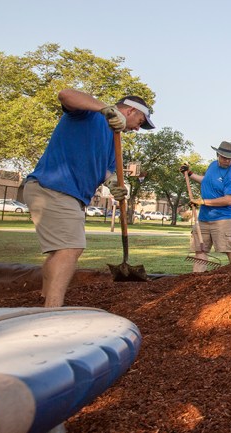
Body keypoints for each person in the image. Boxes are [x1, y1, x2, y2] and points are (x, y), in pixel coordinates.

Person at [23, 89, 155, 307]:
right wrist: (105, 108)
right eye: (140, 121)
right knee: (70, 248)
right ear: (129, 110)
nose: (138, 128)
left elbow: (108, 172)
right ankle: (52, 311)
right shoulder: (89, 113)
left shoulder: (115, 138)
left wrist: (115, 185)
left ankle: (46, 298)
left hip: (67, 194)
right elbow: (65, 95)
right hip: (54, 188)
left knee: (59, 251)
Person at [181, 141, 231, 272]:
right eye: (224, 157)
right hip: (205, 217)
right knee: (200, 251)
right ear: (218, 155)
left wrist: (203, 202)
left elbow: (229, 200)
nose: (227, 160)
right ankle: (197, 281)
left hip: (224, 219)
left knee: (230, 250)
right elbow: (206, 181)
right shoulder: (213, 166)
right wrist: (190, 174)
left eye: (230, 158)